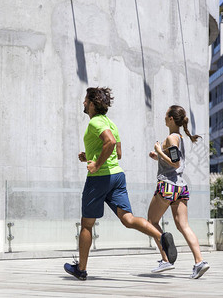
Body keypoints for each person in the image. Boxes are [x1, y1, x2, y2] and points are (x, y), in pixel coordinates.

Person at [64, 87, 177, 280]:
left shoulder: (95, 122)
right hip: (117, 176)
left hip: (99, 179)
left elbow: (108, 143)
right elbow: (118, 154)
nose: (83, 103)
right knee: (128, 219)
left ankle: (81, 270)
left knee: (87, 225)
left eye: (85, 100)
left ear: (92, 103)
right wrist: (89, 157)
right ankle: (160, 237)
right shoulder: (111, 123)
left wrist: (96, 164)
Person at [148, 105, 210, 279]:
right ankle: (199, 262)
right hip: (181, 187)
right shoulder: (180, 137)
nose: (164, 116)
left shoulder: (171, 138)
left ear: (170, 119)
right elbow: (174, 161)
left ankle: (166, 259)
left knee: (151, 222)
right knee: (183, 225)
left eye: (166, 114)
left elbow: (176, 163)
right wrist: (159, 156)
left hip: (167, 185)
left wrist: (160, 150)